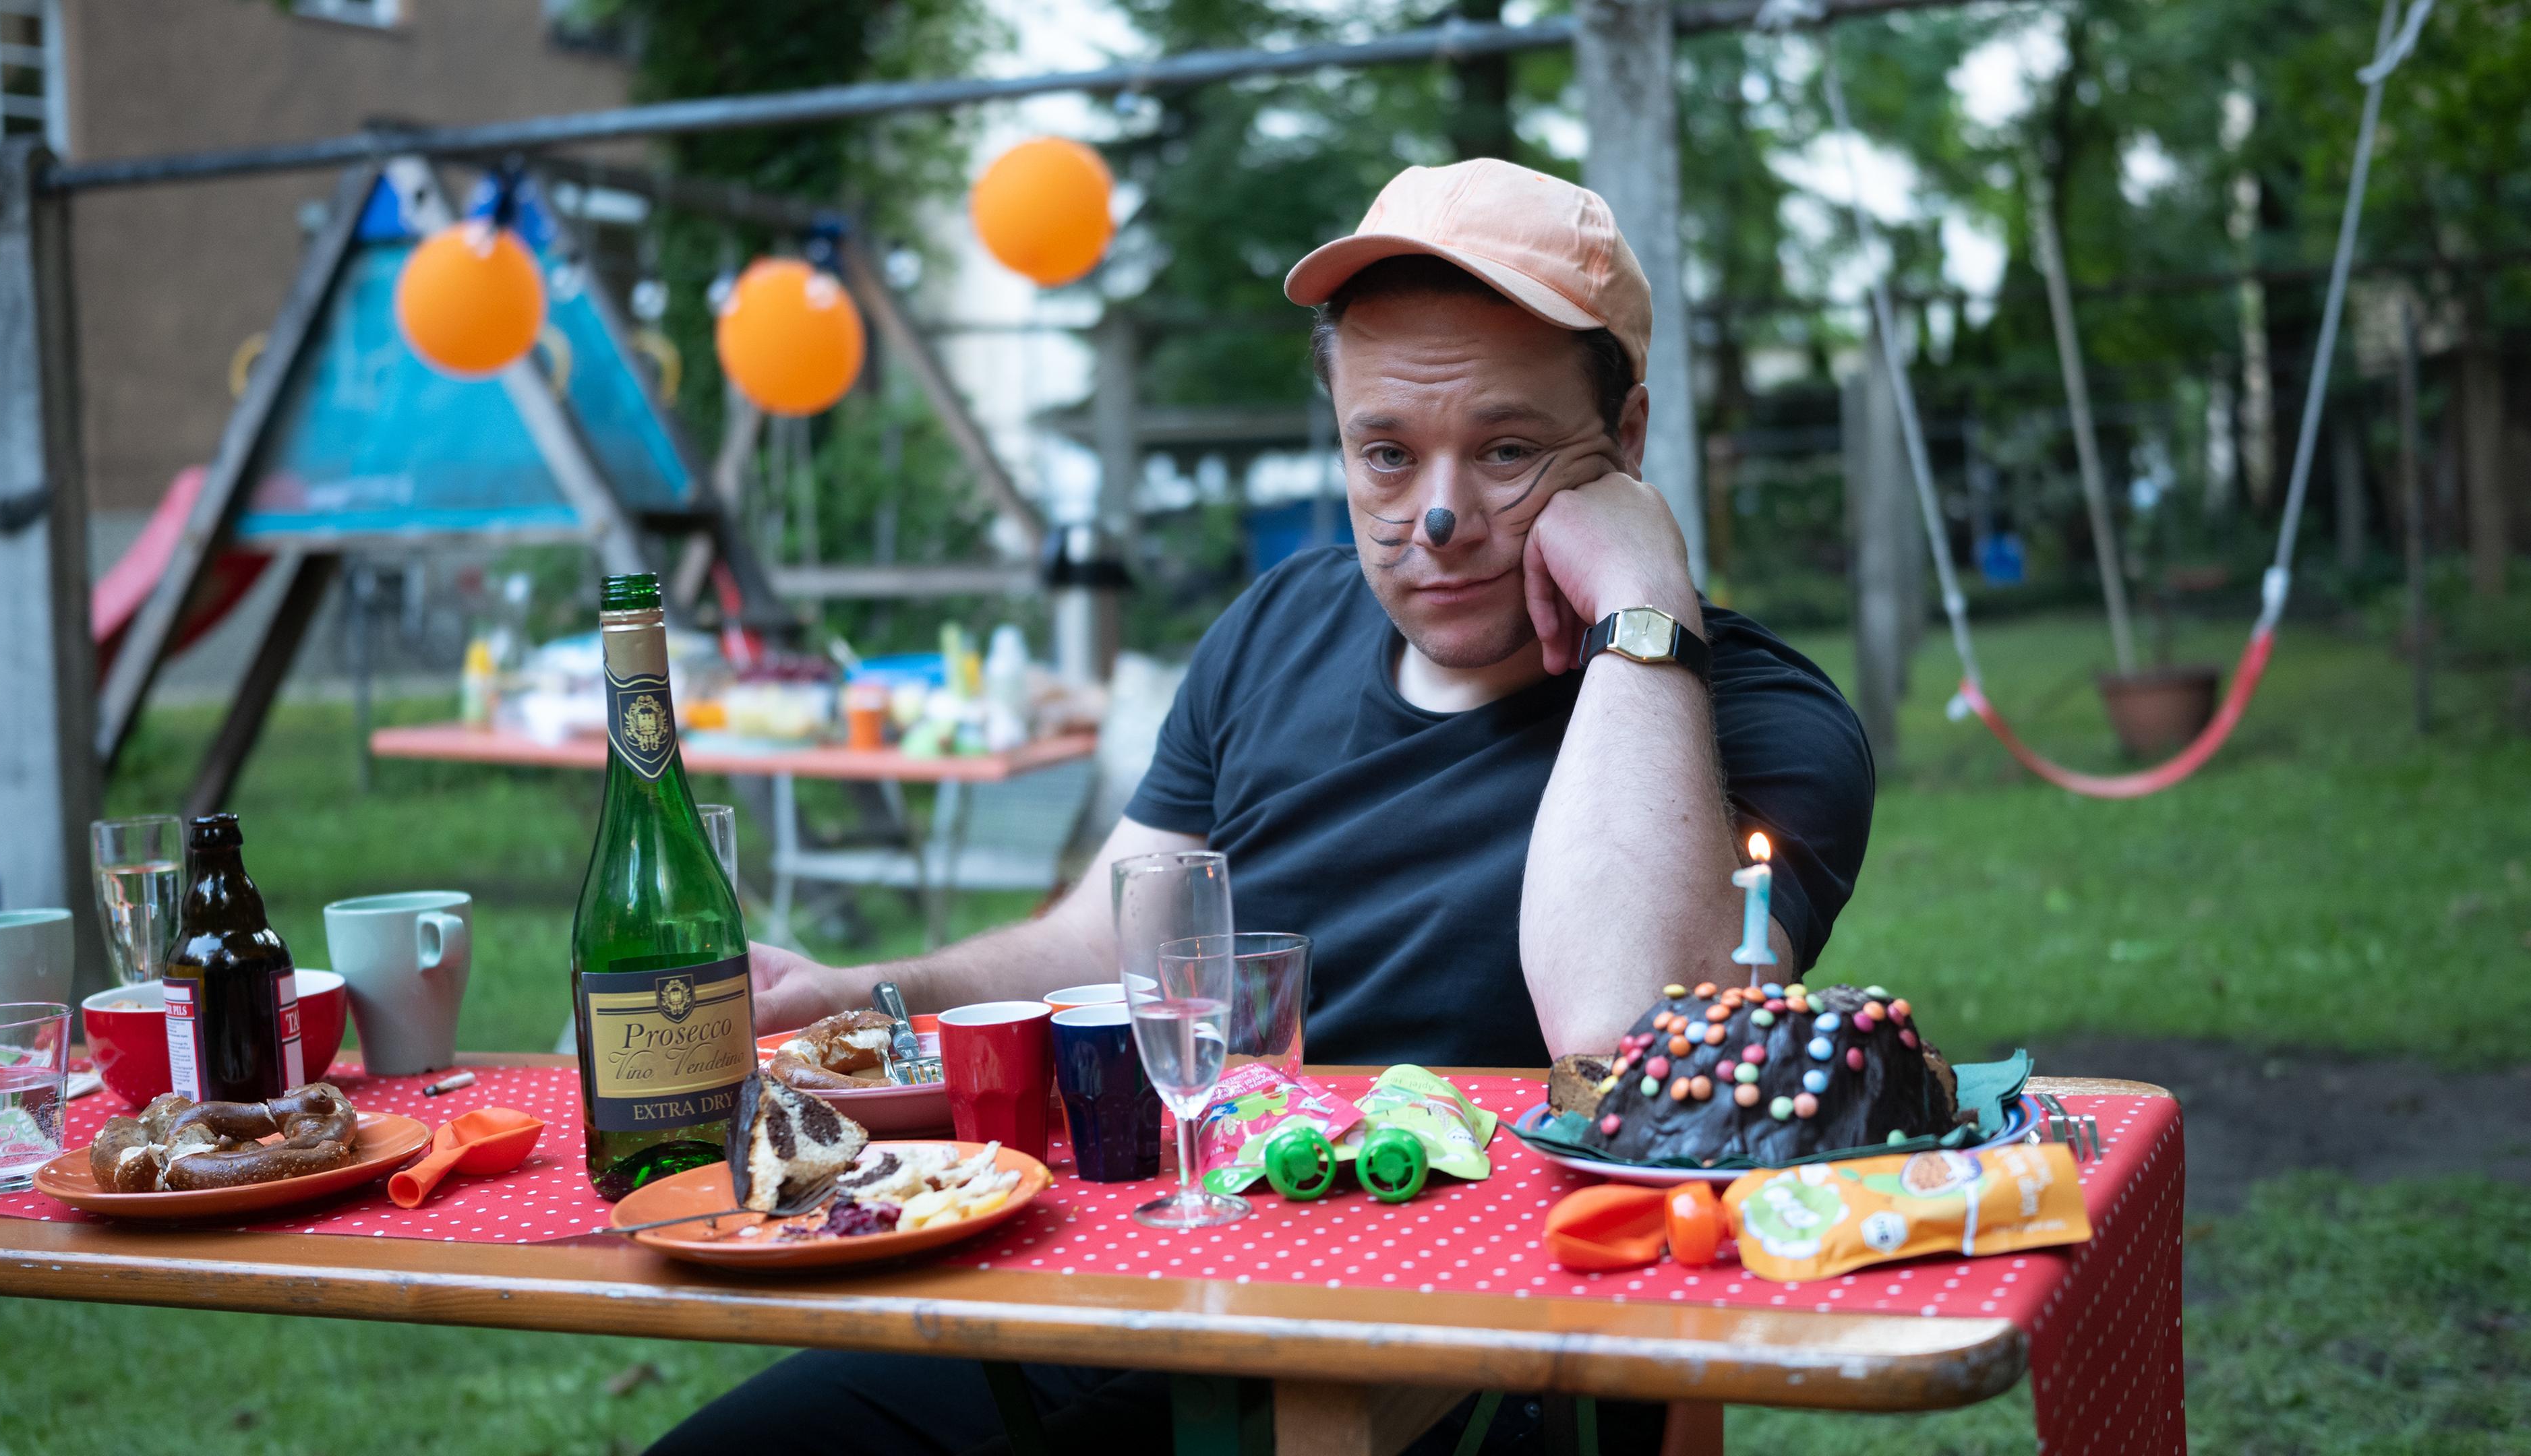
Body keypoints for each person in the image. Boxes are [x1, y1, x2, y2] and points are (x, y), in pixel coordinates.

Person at [651, 158, 1873, 1456]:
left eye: (1508, 451)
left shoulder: (1755, 720)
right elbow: (1109, 945)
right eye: (1386, 455)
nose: (1437, 515)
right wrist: (863, 996)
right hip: (1177, 1270)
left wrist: (1641, 597)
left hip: (1488, 1351)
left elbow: (1623, 1031)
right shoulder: (1276, 629)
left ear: (1624, 440)